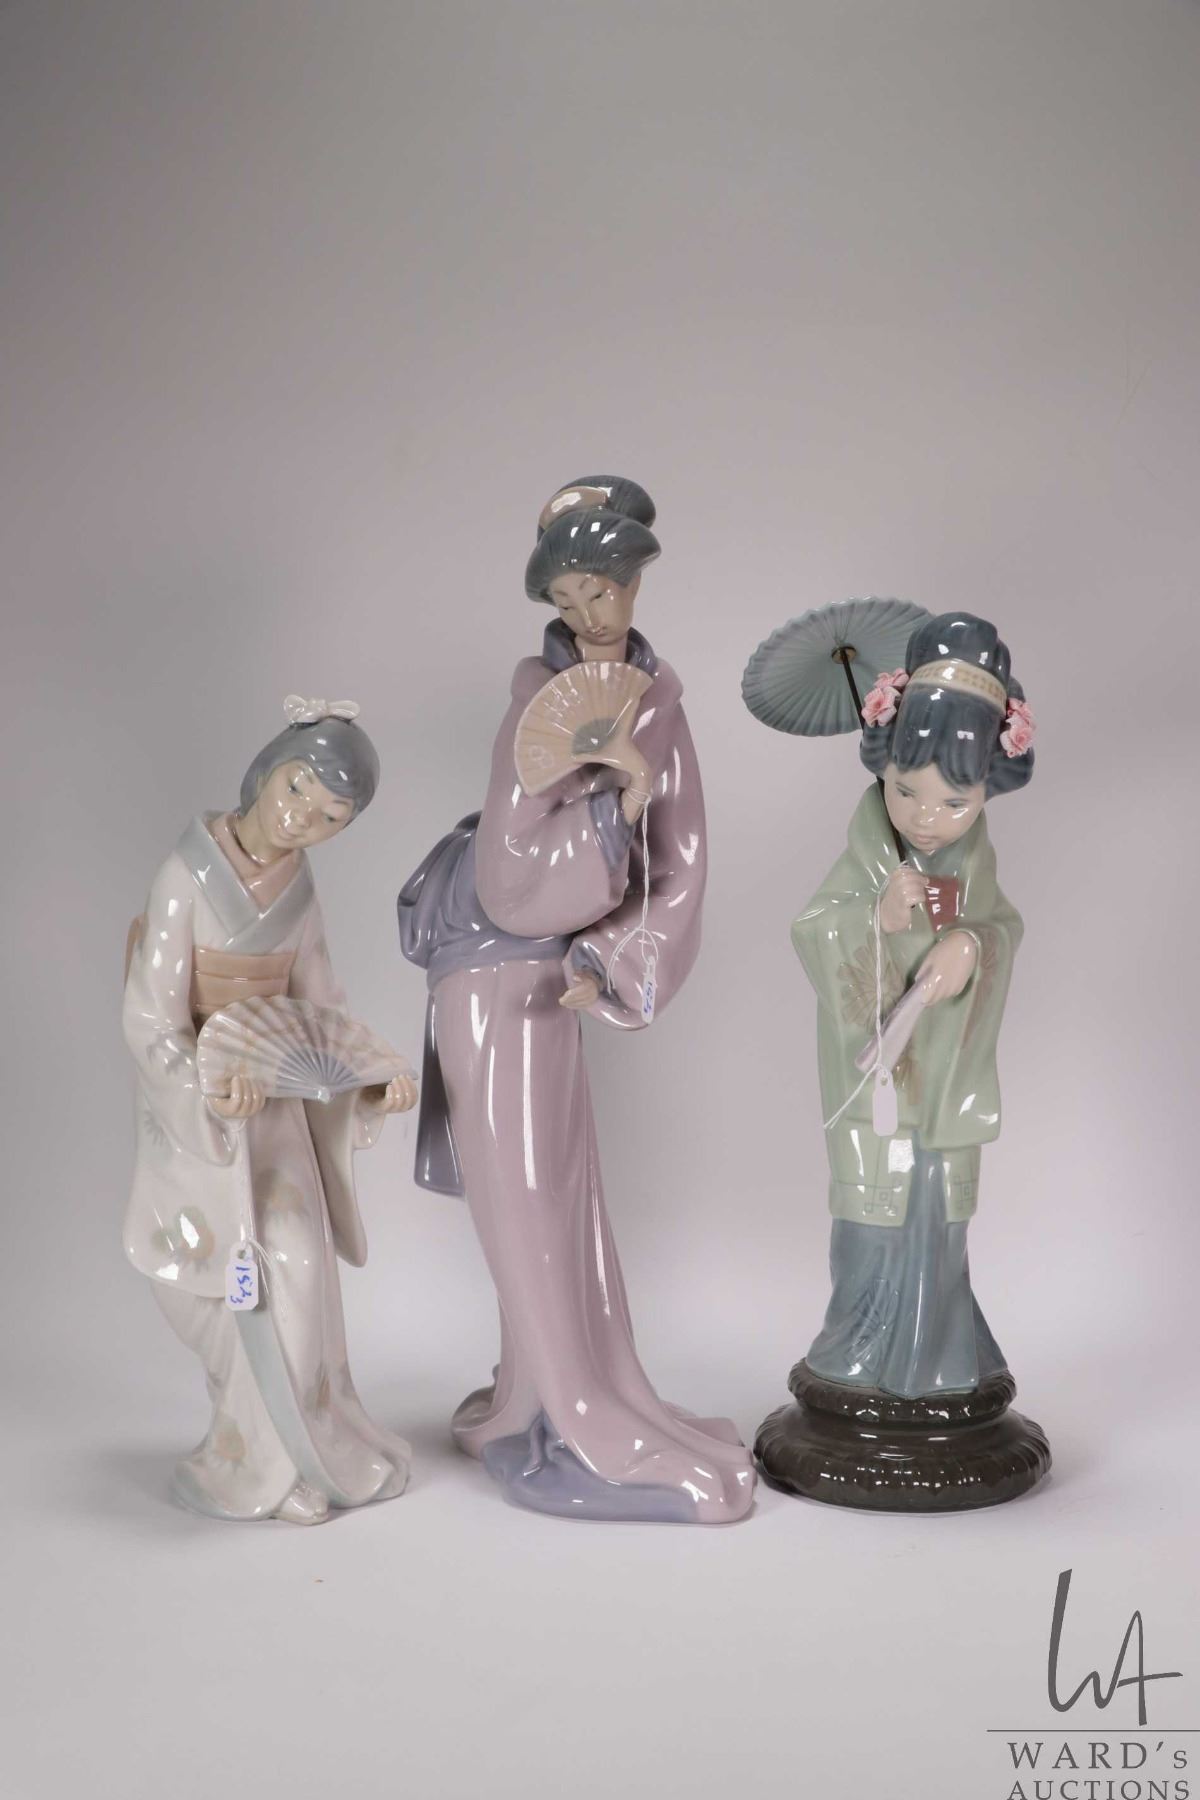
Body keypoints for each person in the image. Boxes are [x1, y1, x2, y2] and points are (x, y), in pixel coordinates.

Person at [399, 477, 754, 1522]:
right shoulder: (538, 704)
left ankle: (553, 1398)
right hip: (490, 969)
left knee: (565, 1195)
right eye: (571, 594)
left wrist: (615, 954)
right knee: (529, 1198)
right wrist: (613, 810)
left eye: (607, 588)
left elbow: (682, 860)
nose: (593, 611)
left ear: (635, 583)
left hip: (556, 974)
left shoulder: (655, 699)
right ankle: (570, 1421)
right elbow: (510, 876)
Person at [123, 698, 417, 1523]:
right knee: (233, 1283)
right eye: (296, 790)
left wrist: (368, 1079)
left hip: (277, 1110)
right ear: (265, 769)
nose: (301, 820)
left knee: (299, 1267)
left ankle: (299, 1457)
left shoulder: (299, 886)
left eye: (330, 818)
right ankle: (249, 1460)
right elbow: (149, 1016)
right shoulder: (184, 876)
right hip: (207, 1112)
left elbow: (320, 1005)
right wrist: (205, 1085)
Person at [793, 613, 1035, 1398]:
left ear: (987, 791)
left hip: (945, 1078)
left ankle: (940, 1358)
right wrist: (877, 919)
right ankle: (855, 1358)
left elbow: (999, 928)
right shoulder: (868, 853)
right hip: (878, 1081)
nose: (925, 817)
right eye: (906, 791)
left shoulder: (975, 861)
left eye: (953, 802)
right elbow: (815, 929)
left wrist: (973, 949)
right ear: (882, 770)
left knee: (939, 1218)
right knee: (871, 1219)